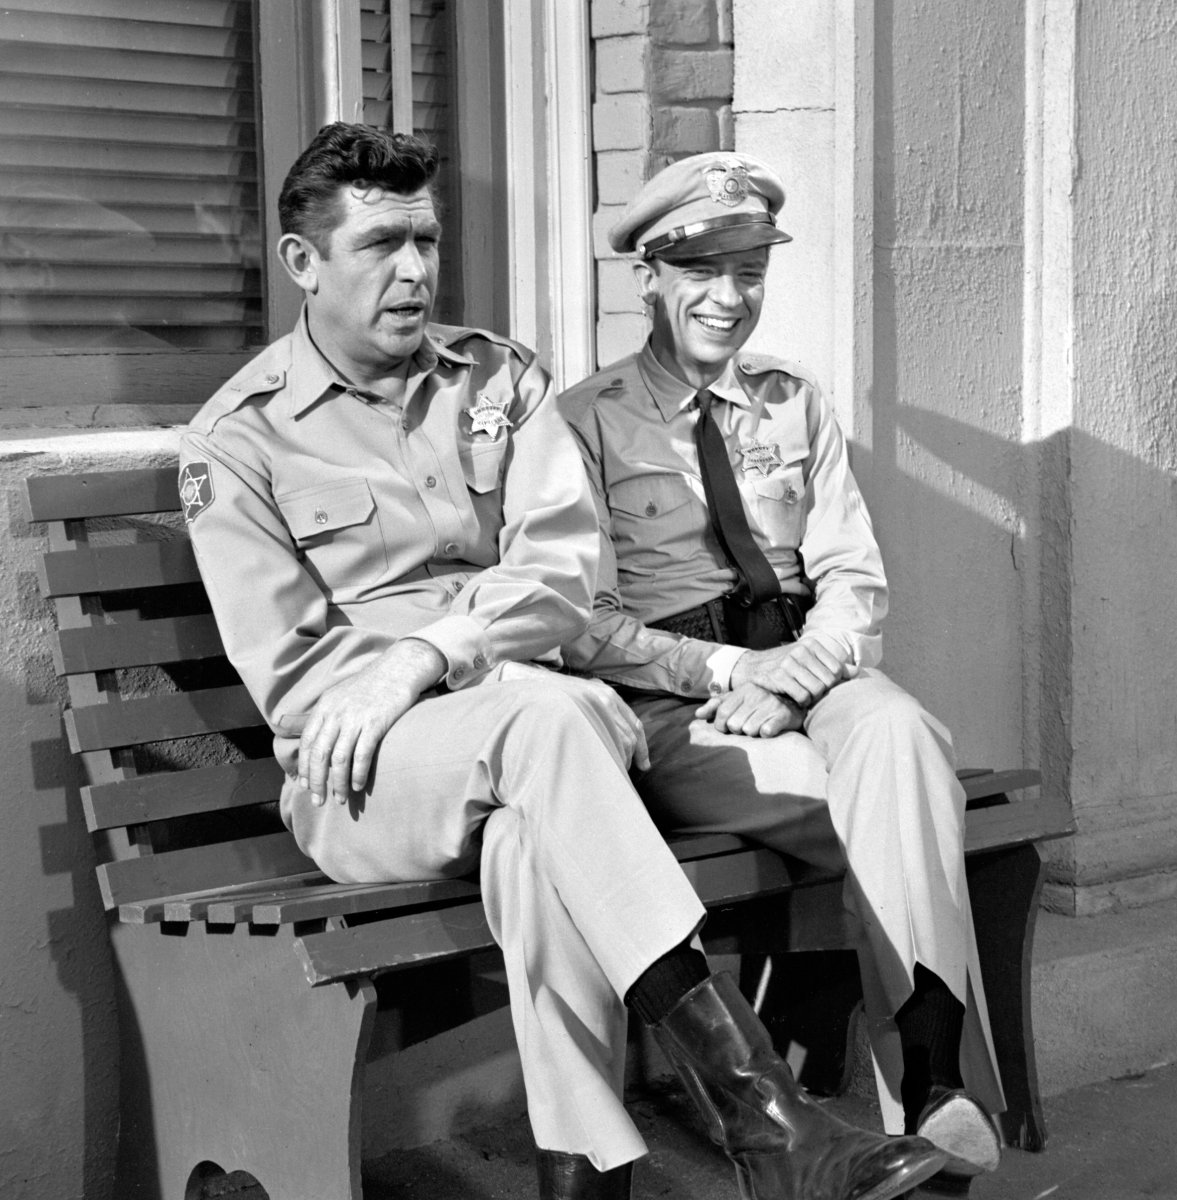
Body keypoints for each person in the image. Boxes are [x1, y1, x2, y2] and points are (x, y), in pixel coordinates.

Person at [179, 123, 946, 1200]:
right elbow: (306, 686)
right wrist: (431, 673)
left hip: (543, 745)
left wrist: (432, 650)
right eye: (380, 247)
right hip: (366, 780)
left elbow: (562, 570)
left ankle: (588, 1181)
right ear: (304, 264)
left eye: (427, 242)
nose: (414, 270)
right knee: (551, 722)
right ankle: (764, 1121)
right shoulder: (242, 442)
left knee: (536, 838)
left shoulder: (496, 379)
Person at [559, 152, 1006, 1196]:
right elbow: (581, 624)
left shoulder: (791, 402)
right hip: (683, 711)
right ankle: (939, 1118)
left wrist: (794, 673)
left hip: (806, 676)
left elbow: (853, 577)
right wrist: (727, 673)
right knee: (906, 800)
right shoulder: (581, 421)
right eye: (703, 270)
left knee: (896, 738)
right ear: (650, 277)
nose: (729, 297)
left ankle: (933, 1090)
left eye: (750, 269)